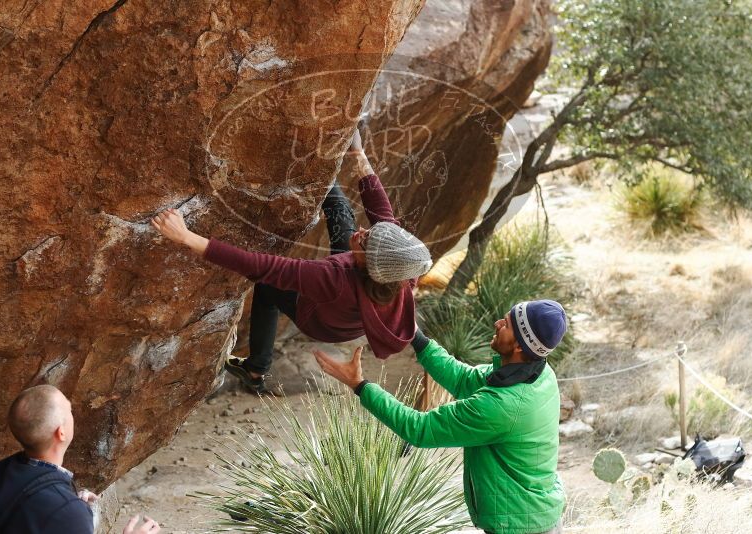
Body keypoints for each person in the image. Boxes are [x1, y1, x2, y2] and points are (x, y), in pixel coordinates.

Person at [152, 129, 433, 394]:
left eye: (365, 240)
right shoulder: (400, 262)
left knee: (266, 287)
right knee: (338, 206)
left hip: (321, 320)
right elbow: (381, 211)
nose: (363, 231)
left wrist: (187, 237)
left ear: (368, 263)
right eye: (372, 231)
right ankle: (318, 174)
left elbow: (262, 266)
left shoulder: (333, 277)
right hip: (354, 305)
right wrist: (358, 153)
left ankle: (255, 369)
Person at [314, 300, 568, 534]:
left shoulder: (502, 406)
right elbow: (462, 378)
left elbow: (420, 428)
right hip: (534, 514)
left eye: (507, 325)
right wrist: (415, 335)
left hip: (522, 526)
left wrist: (359, 385)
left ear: (518, 345)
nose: (497, 324)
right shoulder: (538, 373)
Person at [0, 385, 160, 534]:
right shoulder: (66, 511)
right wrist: (69, 509)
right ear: (60, 433)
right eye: (69, 410)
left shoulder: (3, 472)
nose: (73, 415)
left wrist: (69, 501)